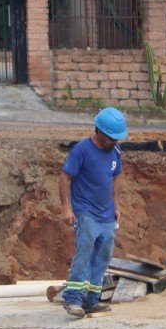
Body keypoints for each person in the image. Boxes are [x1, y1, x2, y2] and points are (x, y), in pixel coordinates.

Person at [58, 107, 127, 318]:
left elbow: (115, 178)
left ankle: (92, 300)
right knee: (85, 251)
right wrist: (66, 208)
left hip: (106, 214)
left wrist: (116, 205)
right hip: (85, 211)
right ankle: (73, 299)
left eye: (117, 138)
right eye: (111, 137)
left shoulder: (115, 152)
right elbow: (64, 177)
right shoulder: (82, 150)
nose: (114, 142)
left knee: (103, 254)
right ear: (99, 131)